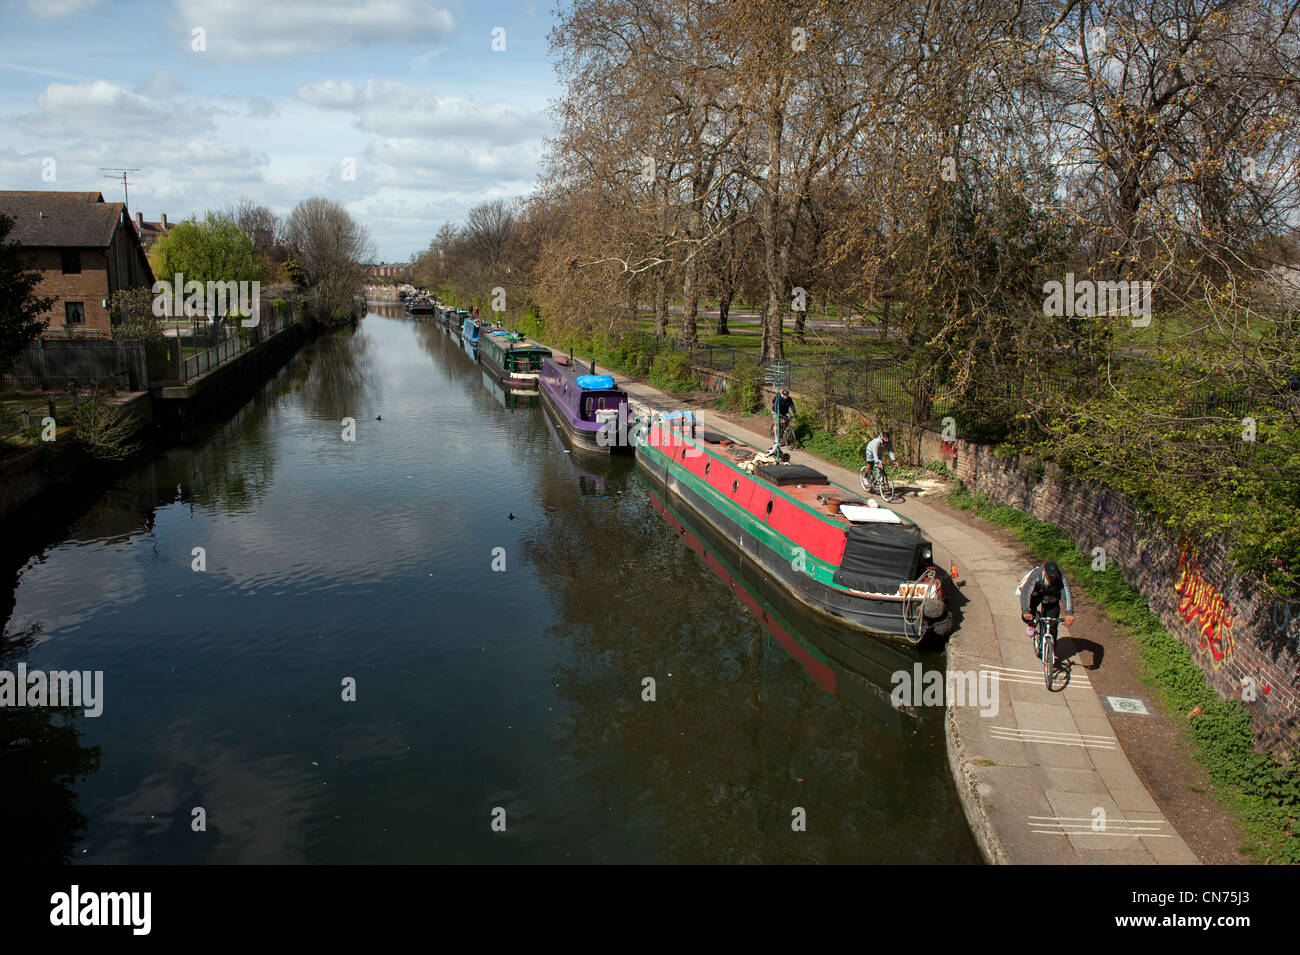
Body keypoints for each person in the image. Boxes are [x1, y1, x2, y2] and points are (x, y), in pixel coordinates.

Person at [1020, 560, 1075, 650]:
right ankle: (1031, 624)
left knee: (1052, 623)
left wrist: (1069, 613)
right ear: (1044, 571)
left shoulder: (1062, 577)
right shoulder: (1036, 575)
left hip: (1051, 597)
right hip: (1036, 594)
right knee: (1028, 613)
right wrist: (1026, 611)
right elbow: (1026, 592)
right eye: (1049, 576)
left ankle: (1050, 649)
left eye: (1054, 576)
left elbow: (1067, 594)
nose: (1052, 578)